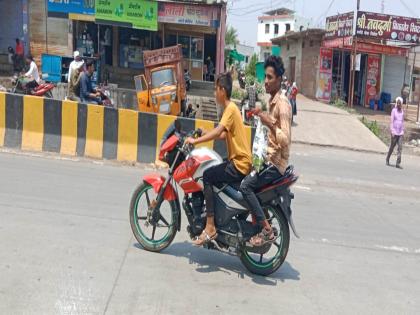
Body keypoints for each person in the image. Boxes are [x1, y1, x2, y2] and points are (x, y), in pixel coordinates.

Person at [186, 72, 252, 246]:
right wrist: (204, 132)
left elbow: (218, 131)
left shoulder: (230, 109)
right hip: (239, 161)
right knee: (215, 168)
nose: (215, 93)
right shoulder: (230, 109)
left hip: (239, 164)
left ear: (222, 90)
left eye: (216, 89)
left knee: (207, 175)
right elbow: (223, 135)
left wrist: (196, 141)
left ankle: (210, 226)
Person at [240, 55, 292, 246]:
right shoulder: (272, 101)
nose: (266, 81)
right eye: (265, 77)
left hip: (275, 163)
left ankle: (267, 230)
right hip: (268, 159)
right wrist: (261, 115)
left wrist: (270, 124)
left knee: (245, 187)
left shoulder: (283, 105)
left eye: (270, 77)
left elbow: (285, 140)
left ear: (279, 79)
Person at [386, 97, 404, 169]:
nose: (399, 105)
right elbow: (391, 121)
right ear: (396, 104)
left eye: (400, 103)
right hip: (394, 132)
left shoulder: (402, 111)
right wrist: (392, 131)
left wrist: (403, 130)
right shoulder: (394, 111)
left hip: (400, 133)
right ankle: (387, 159)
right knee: (392, 147)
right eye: (398, 103)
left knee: (400, 148)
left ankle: (398, 163)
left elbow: (402, 122)